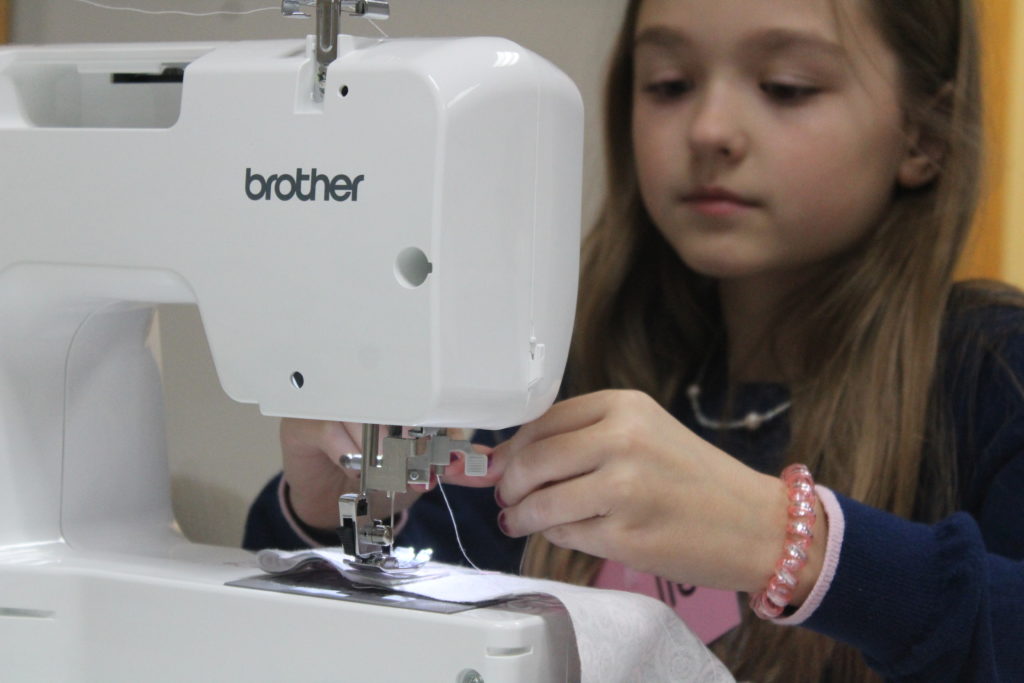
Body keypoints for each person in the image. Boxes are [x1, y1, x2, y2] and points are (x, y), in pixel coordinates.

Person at [244, 0, 1024, 680]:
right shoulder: (565, 366)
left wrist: (784, 539)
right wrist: (318, 517)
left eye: (787, 87)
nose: (710, 129)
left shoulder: (997, 376)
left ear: (923, 133)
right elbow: (389, 615)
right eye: (669, 86)